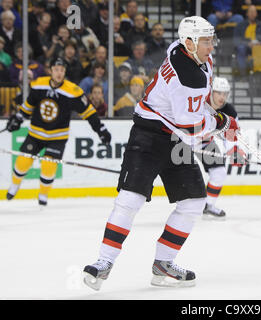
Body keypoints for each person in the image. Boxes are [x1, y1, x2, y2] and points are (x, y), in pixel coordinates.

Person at [83, 16, 240, 290]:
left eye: (210, 39)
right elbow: (190, 127)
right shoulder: (185, 75)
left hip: (175, 139)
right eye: (205, 40)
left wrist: (217, 115)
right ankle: (103, 262)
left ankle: (163, 264)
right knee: (130, 199)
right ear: (189, 42)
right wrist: (222, 123)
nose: (210, 46)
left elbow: (198, 105)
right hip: (149, 136)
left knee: (193, 201)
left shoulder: (191, 55)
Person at [4, 57, 111, 206]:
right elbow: (28, 105)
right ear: (51, 71)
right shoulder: (38, 84)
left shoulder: (73, 91)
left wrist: (100, 129)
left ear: (65, 72)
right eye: (56, 70)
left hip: (57, 137)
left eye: (62, 70)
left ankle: (43, 196)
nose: (59, 73)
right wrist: (18, 117)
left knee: (48, 166)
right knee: (22, 162)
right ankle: (14, 186)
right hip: (36, 133)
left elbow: (89, 112)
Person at [197, 77, 246, 219]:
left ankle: (208, 205)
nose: (222, 97)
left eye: (225, 94)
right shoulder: (200, 103)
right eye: (219, 93)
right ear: (211, 92)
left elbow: (231, 136)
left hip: (204, 143)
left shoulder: (229, 111)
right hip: (183, 140)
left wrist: (234, 151)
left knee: (219, 172)